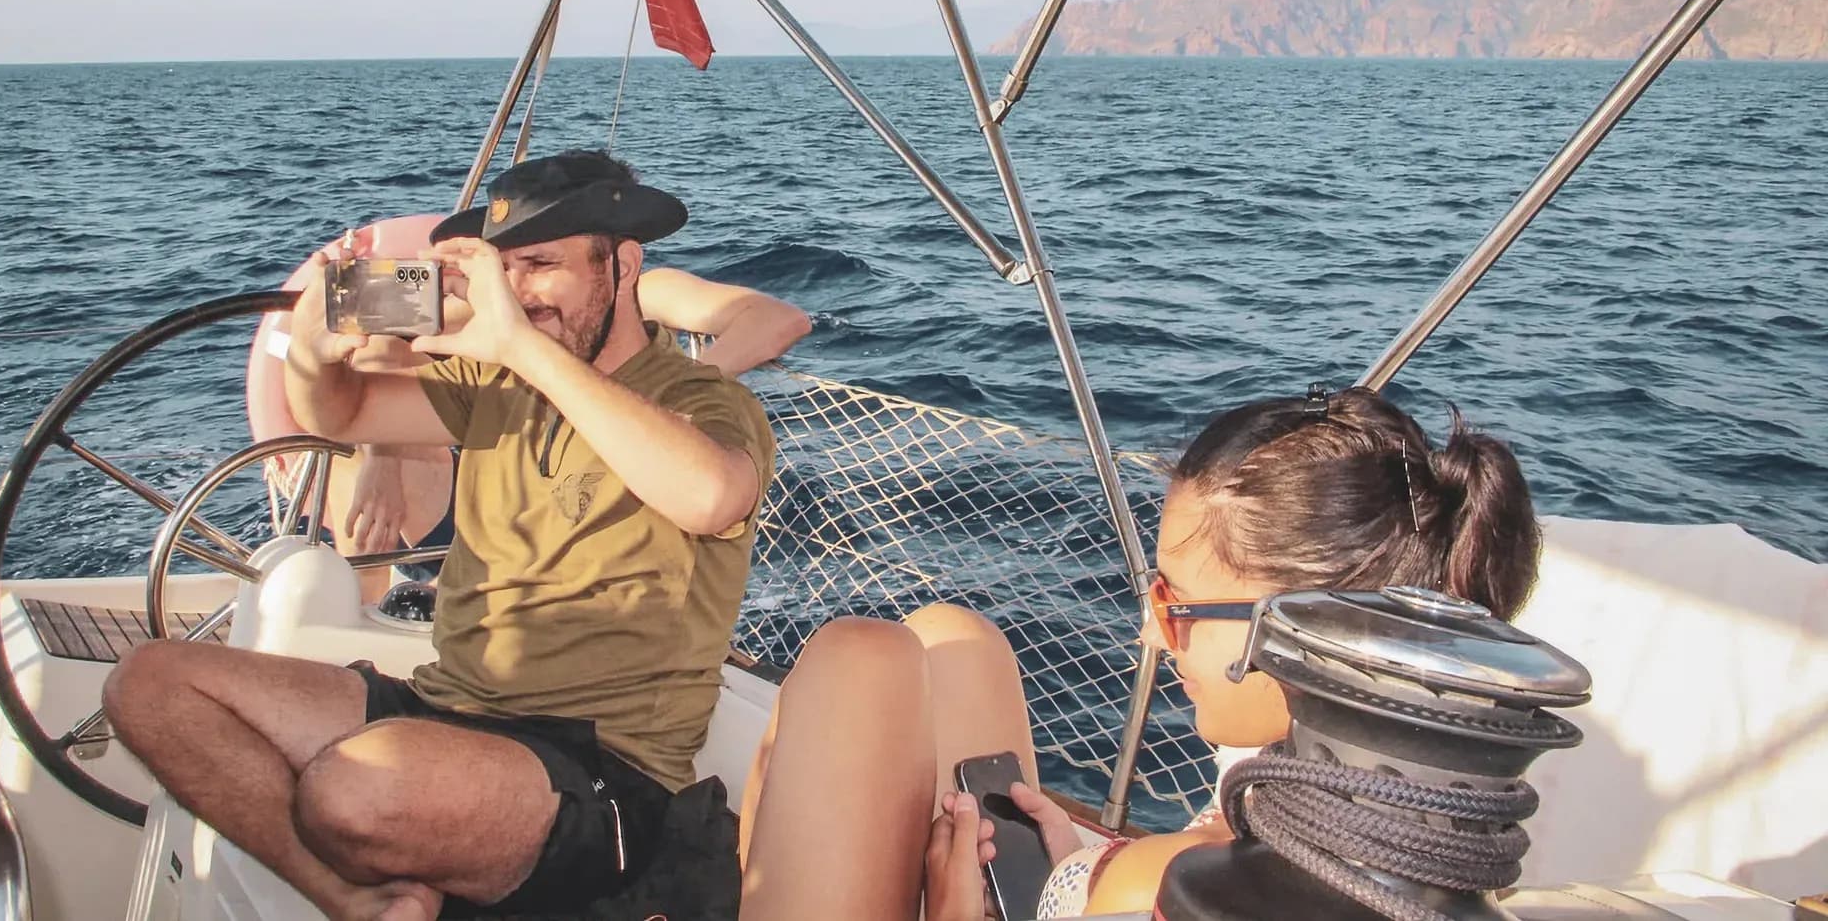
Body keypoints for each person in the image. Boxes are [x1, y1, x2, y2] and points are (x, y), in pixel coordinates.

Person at [103, 151, 777, 921]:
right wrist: (318, 353)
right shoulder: (493, 388)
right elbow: (342, 415)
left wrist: (522, 347)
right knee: (151, 687)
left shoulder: (699, 399)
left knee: (352, 789)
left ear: (624, 264)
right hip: (448, 708)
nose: (520, 295)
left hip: (601, 771)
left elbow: (711, 494)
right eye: (505, 270)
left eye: (543, 265)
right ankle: (359, 901)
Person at [737, 386, 1542, 921]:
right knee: (956, 635)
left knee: (852, 659)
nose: (1150, 634)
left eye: (1174, 603)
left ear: (1303, 630)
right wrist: (1080, 861)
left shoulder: (1174, 892)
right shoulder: (1402, 837)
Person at [322, 267, 808, 601]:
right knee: (351, 462)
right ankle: (368, 629)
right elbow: (364, 318)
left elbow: (777, 320)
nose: (528, 271)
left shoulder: (640, 292)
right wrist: (381, 459)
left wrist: (656, 396)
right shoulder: (497, 298)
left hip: (594, 503)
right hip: (490, 482)